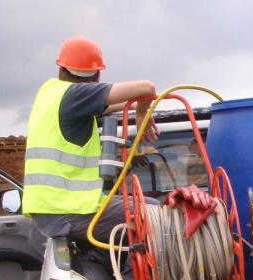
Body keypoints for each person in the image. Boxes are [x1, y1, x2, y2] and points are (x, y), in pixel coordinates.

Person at [22, 36, 160, 243]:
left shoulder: (50, 94)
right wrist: (142, 114)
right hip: (70, 211)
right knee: (155, 214)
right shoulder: (76, 95)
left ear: (60, 68)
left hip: (51, 210)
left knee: (146, 206)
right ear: (96, 77)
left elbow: (116, 104)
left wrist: (134, 107)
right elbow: (147, 88)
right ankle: (133, 277)